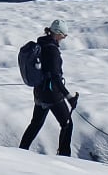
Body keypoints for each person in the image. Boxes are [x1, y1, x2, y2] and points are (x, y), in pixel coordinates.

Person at [18, 19, 79, 156]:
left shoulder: (41, 44)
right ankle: (64, 157)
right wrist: (70, 98)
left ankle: (21, 151)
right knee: (67, 124)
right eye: (64, 34)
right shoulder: (53, 51)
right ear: (57, 33)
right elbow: (56, 78)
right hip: (52, 95)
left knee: (35, 124)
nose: (65, 37)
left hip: (39, 92)